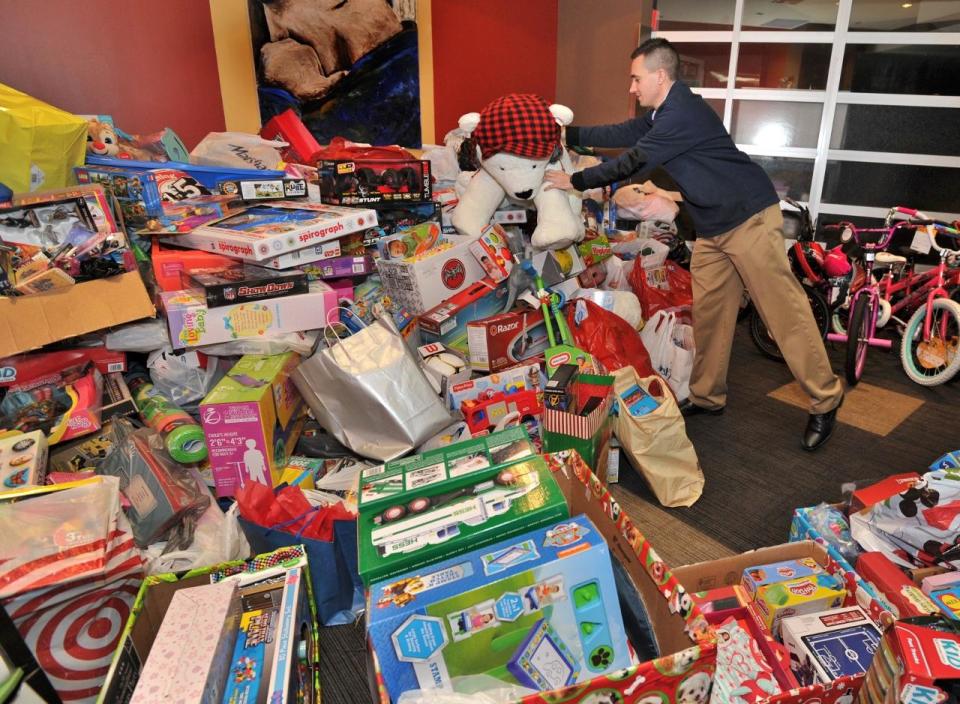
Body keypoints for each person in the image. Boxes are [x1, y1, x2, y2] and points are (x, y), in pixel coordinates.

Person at [545, 38, 844, 451]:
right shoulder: (664, 111)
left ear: (660, 75)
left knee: (783, 313)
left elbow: (633, 160)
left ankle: (826, 397)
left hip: (749, 218)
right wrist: (568, 133)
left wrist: (576, 180)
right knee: (710, 315)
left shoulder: (682, 114)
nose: (632, 88)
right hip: (712, 225)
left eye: (636, 79)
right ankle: (708, 396)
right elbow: (623, 132)